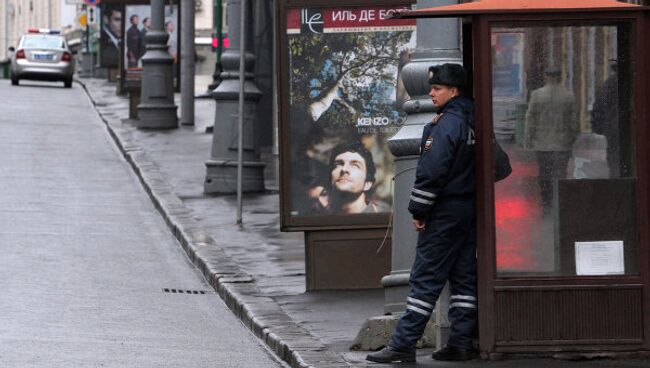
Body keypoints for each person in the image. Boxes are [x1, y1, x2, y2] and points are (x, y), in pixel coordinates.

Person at [367, 63, 478, 363]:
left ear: (453, 91)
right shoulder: (475, 120)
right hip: (469, 211)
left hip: (444, 212)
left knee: (425, 279)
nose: (431, 93)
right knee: (464, 278)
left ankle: (402, 344)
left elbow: (431, 172)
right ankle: (462, 342)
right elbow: (499, 165)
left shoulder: (446, 125)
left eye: (437, 88)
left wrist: (418, 210)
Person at [523, 67, 579, 210]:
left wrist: (528, 139)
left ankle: (546, 202)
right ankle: (559, 202)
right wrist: (573, 138)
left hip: (543, 144)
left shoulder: (537, 95)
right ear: (560, 77)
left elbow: (530, 118)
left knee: (544, 174)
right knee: (560, 173)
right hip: (562, 144)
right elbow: (573, 121)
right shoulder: (568, 95)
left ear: (546, 77)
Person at [309, 141, 382, 214]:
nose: (344, 169)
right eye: (338, 164)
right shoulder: (317, 216)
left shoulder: (384, 215)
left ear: (367, 184)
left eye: (355, 165)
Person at [591, 60, 620, 177]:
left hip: (612, 131)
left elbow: (598, 109)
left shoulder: (607, 86)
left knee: (614, 162)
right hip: (628, 131)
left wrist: (598, 129)